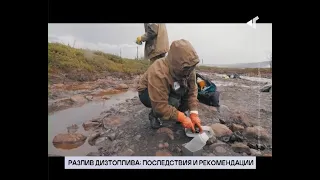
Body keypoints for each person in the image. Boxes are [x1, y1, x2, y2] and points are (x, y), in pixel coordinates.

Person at [137, 39, 203, 133]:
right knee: (172, 102)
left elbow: (192, 91)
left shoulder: (189, 67)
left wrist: (194, 113)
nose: (189, 71)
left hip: (171, 87)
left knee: (185, 101)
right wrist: (181, 117)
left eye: (191, 68)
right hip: (147, 92)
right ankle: (154, 115)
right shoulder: (159, 71)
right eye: (186, 68)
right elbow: (160, 105)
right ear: (176, 63)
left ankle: (174, 112)